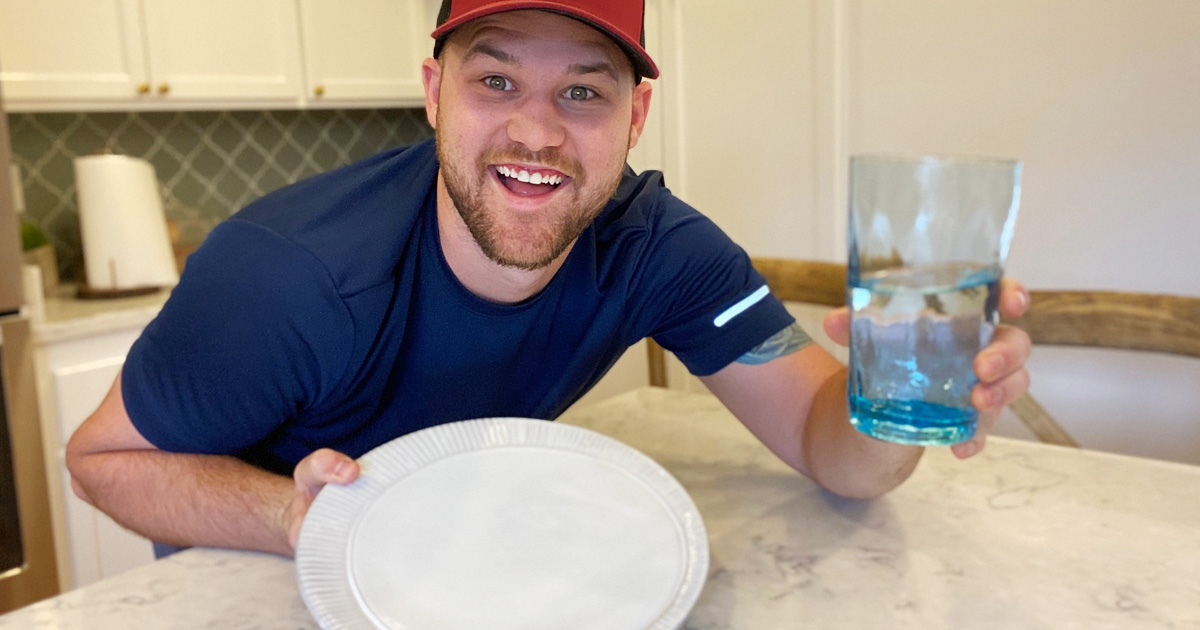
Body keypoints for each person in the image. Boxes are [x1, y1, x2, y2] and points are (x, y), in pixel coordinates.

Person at [66, 0, 1032, 558]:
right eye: (495, 82)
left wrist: (896, 392)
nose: (537, 131)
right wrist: (291, 516)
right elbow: (102, 460)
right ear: (436, 91)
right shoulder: (287, 275)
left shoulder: (663, 252)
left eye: (582, 90)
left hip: (477, 572)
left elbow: (837, 457)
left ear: (636, 116)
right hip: (267, 586)